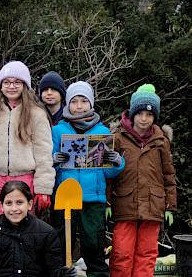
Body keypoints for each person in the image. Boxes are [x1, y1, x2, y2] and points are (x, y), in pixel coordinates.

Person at [0, 61, 54, 253]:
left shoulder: (36, 113)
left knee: (24, 233)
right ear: (0, 84)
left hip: (24, 179)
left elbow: (44, 151)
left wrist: (43, 188)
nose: (11, 86)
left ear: (25, 85)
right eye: (7, 82)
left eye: (17, 82)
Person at [50, 81, 123, 277]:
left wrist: (117, 162)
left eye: (84, 101)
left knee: (94, 244)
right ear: (67, 104)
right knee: (63, 245)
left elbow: (108, 173)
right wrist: (53, 160)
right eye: (74, 101)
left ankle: (98, 274)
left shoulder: (103, 132)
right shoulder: (58, 130)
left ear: (91, 104)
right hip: (65, 197)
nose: (79, 106)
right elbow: (47, 164)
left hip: (94, 198)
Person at [109, 84, 177, 277]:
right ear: (132, 114)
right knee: (122, 253)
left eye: (149, 114)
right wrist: (106, 202)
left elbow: (169, 176)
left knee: (147, 254)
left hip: (153, 206)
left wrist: (170, 206)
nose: (144, 119)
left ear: (154, 116)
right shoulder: (117, 138)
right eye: (139, 114)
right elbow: (107, 174)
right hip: (124, 205)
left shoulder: (161, 141)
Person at [0, 181, 73, 277]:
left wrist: (63, 274)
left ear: (29, 204)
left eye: (19, 202)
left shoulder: (47, 233)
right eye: (8, 203)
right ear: (1, 206)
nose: (14, 208)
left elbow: (53, 270)